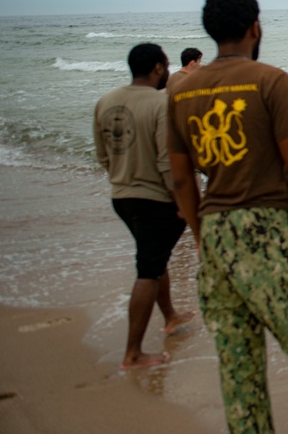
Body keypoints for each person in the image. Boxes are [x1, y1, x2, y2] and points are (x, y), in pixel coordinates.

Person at [166, 0, 288, 434]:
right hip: (271, 229)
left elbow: (180, 180)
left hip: (215, 232)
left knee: (239, 368)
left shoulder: (180, 91)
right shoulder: (270, 80)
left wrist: (201, 233)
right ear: (255, 26)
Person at [93, 43, 195, 371]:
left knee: (154, 256)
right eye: (164, 66)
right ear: (156, 68)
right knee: (148, 269)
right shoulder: (162, 104)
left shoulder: (105, 101)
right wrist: (184, 204)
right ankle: (133, 353)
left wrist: (124, 179)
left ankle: (170, 316)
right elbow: (169, 163)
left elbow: (103, 155)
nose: (167, 71)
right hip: (155, 199)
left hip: (121, 195)